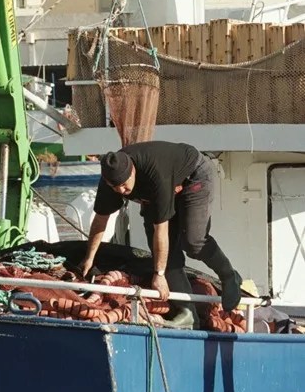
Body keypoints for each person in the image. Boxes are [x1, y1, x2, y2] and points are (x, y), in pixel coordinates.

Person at [79, 141, 242, 329]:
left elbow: (161, 229)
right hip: (153, 195)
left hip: (193, 177)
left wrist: (159, 274)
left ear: (132, 172)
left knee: (193, 241)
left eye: (124, 185)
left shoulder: (155, 174)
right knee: (165, 256)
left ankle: (229, 275)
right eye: (115, 187)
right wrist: (89, 258)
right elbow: (101, 219)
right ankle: (188, 314)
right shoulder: (111, 180)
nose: (121, 191)